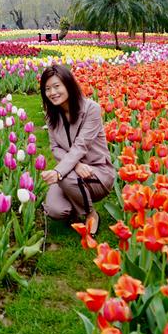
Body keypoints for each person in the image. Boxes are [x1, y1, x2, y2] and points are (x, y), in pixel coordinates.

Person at [39, 63, 115, 235]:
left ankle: (90, 213)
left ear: (68, 84)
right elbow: (55, 147)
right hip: (72, 172)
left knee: (65, 179)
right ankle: (76, 201)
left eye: (57, 86)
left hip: (97, 173)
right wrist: (75, 166)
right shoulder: (52, 116)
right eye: (47, 89)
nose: (52, 93)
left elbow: (81, 146)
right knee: (55, 210)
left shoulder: (91, 109)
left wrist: (59, 172)